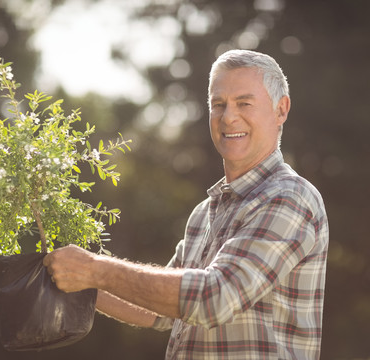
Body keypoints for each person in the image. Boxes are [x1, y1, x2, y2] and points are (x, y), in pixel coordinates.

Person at [43, 49, 329, 359]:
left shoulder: (289, 197)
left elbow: (214, 298)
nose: (228, 116)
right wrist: (75, 278)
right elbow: (159, 312)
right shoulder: (204, 213)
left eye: (244, 103)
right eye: (218, 105)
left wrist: (95, 269)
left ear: (281, 109)